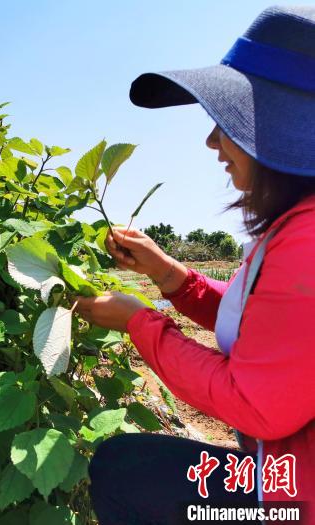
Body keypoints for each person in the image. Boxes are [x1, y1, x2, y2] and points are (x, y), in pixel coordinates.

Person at [73, 6, 315, 524]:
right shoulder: (297, 225)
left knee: (125, 472)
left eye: (227, 124)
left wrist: (139, 321)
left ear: (276, 131)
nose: (212, 142)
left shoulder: (309, 240)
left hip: (296, 496)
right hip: (290, 468)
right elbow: (270, 325)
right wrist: (170, 276)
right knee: (131, 467)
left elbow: (257, 405)